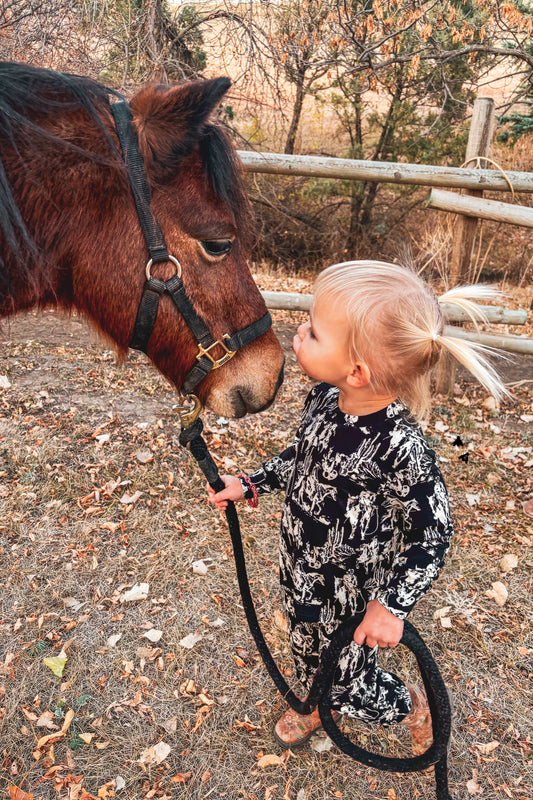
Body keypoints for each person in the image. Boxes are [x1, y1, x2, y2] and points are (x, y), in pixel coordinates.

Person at [207, 260, 509, 753]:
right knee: (305, 654)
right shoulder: (325, 399)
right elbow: (303, 459)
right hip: (301, 574)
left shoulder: (400, 450)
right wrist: (252, 482)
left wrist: (390, 606)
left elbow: (431, 535)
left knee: (349, 686)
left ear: (357, 370)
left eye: (316, 332)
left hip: (350, 600)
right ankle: (313, 704)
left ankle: (408, 703)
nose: (299, 332)